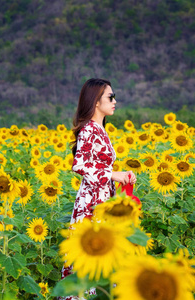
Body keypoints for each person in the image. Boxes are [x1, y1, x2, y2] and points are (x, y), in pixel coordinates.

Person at [60, 78, 136, 298]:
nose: (115, 101)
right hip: (91, 205)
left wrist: (121, 176)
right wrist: (113, 174)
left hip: (103, 200)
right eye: (110, 97)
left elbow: (98, 165)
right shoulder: (89, 130)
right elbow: (80, 165)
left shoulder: (100, 129)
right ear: (95, 102)